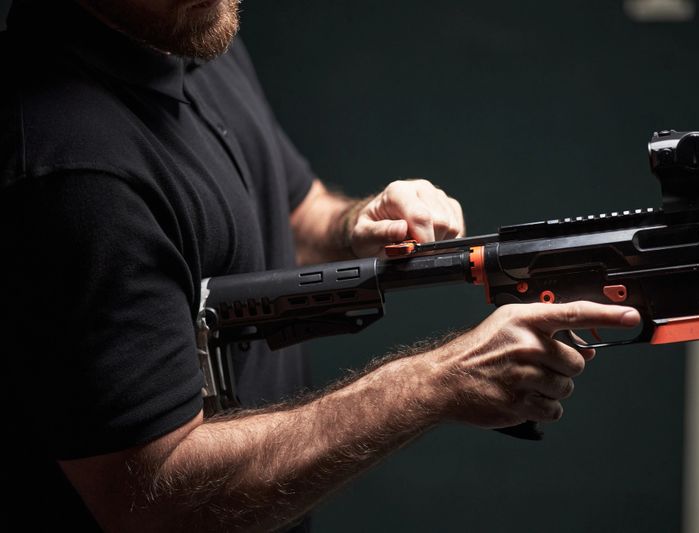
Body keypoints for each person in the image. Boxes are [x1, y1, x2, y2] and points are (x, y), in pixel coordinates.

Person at [0, 0, 640, 531]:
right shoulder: (75, 174)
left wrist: (357, 222)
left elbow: (287, 210)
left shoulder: (189, 26)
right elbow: (150, 497)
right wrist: (436, 383)